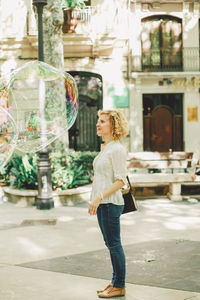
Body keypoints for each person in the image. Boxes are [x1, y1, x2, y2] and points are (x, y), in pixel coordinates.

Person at [88, 109, 129, 298]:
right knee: (109, 243)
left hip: (111, 202)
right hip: (103, 202)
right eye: (99, 120)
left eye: (102, 121)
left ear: (113, 125)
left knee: (114, 244)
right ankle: (114, 282)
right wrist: (95, 198)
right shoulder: (107, 148)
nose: (98, 124)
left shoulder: (117, 149)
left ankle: (119, 285)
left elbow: (121, 181)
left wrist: (99, 196)